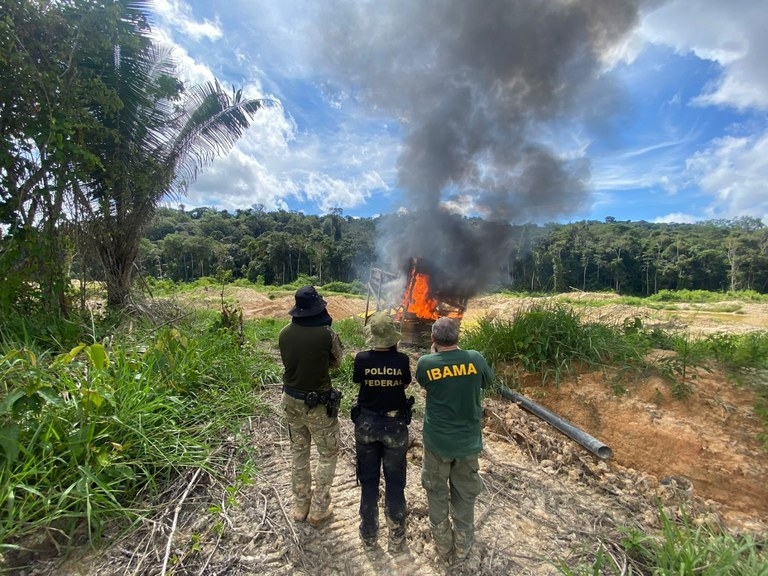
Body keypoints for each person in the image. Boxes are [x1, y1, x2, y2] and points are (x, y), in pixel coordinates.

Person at [415, 316, 494, 564]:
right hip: (467, 442)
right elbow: (487, 383)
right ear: (458, 337)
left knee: (436, 491)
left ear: (433, 339)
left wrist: (434, 355)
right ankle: (462, 547)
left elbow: (424, 383)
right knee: (465, 494)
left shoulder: (426, 363)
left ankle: (443, 546)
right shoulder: (475, 358)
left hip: (437, 442)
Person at [278, 285, 344, 527]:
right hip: (317, 405)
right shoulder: (327, 334)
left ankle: (300, 506)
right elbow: (337, 363)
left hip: (291, 401)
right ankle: (318, 510)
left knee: (299, 452)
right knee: (327, 453)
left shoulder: (284, 333)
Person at [352, 312, 413, 552]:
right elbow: (405, 384)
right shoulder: (402, 360)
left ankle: (368, 535)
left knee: (369, 482)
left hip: (366, 426)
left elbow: (359, 382)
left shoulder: (361, 358)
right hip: (395, 428)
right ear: (392, 337)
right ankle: (397, 538)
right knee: (395, 483)